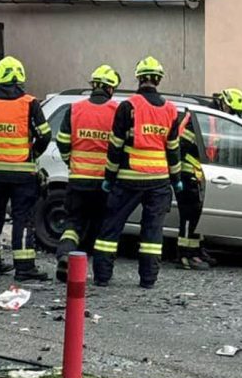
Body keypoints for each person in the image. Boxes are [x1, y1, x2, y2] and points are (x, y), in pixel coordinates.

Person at [93, 56, 184, 289]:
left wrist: (109, 178)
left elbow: (115, 147)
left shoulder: (128, 107)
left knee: (111, 226)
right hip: (159, 181)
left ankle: (102, 276)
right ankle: (148, 280)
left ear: (139, 78)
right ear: (159, 80)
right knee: (153, 232)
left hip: (128, 179)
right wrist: (177, 179)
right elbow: (173, 150)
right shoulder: (170, 110)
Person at [0, 55, 52, 280]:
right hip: (22, 173)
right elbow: (44, 135)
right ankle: (24, 268)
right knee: (22, 218)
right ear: (20, 78)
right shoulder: (29, 103)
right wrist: (33, 153)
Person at [54, 64, 121, 281]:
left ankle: (65, 255)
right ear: (111, 88)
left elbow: (63, 142)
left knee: (73, 222)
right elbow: (121, 146)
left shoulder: (75, 109)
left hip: (78, 178)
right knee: (103, 225)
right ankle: (98, 273)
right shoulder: (116, 111)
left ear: (93, 85)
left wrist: (71, 163)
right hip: (104, 182)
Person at [175, 108, 211, 270]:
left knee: (197, 214)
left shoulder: (209, 121)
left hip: (196, 175)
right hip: (187, 174)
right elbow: (181, 147)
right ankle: (186, 255)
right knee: (189, 215)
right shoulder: (196, 123)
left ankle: (196, 250)